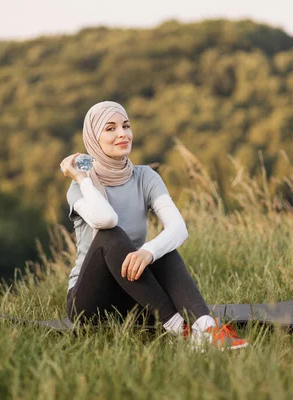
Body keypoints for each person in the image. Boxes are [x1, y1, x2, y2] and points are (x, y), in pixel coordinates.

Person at [60, 101, 248, 351]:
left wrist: (149, 252)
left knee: (161, 248)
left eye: (126, 126)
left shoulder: (145, 177)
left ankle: (205, 328)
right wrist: (83, 178)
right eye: (110, 128)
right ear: (93, 138)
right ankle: (182, 330)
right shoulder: (79, 189)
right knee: (111, 236)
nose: (122, 134)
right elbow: (106, 220)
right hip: (90, 304)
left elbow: (178, 228)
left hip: (137, 293)